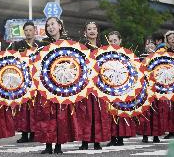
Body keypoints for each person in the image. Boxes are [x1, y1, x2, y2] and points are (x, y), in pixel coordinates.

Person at [33, 17, 76, 154]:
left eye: (53, 24)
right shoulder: (42, 44)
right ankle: (47, 145)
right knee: (46, 114)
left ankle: (58, 145)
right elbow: (36, 63)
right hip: (46, 84)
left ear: (60, 26)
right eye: (48, 25)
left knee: (61, 115)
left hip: (63, 84)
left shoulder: (68, 43)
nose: (50, 27)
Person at [76, 22, 111, 150]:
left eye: (94, 29)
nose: (92, 31)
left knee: (99, 113)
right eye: (89, 29)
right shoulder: (81, 47)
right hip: (85, 85)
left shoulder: (104, 48)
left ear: (98, 31)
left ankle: (97, 141)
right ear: (85, 32)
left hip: (100, 85)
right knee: (85, 112)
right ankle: (84, 141)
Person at [13, 21, 42, 143]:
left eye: (30, 30)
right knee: (23, 108)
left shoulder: (40, 44)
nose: (28, 32)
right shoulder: (18, 45)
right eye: (26, 30)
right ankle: (24, 134)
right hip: (23, 80)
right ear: (23, 32)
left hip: (36, 80)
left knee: (35, 107)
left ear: (35, 31)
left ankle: (34, 133)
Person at [106, 31, 136, 146]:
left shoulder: (126, 54)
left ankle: (121, 137)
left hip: (123, 86)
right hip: (109, 86)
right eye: (111, 41)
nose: (113, 43)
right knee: (111, 112)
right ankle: (112, 137)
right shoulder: (105, 54)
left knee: (121, 111)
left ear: (120, 41)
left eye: (115, 40)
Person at [137, 34, 164, 143]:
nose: (149, 45)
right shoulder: (141, 56)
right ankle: (145, 134)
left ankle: (156, 135)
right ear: (145, 46)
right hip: (144, 88)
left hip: (156, 88)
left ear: (155, 44)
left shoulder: (159, 56)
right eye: (147, 44)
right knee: (145, 112)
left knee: (156, 112)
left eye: (151, 43)